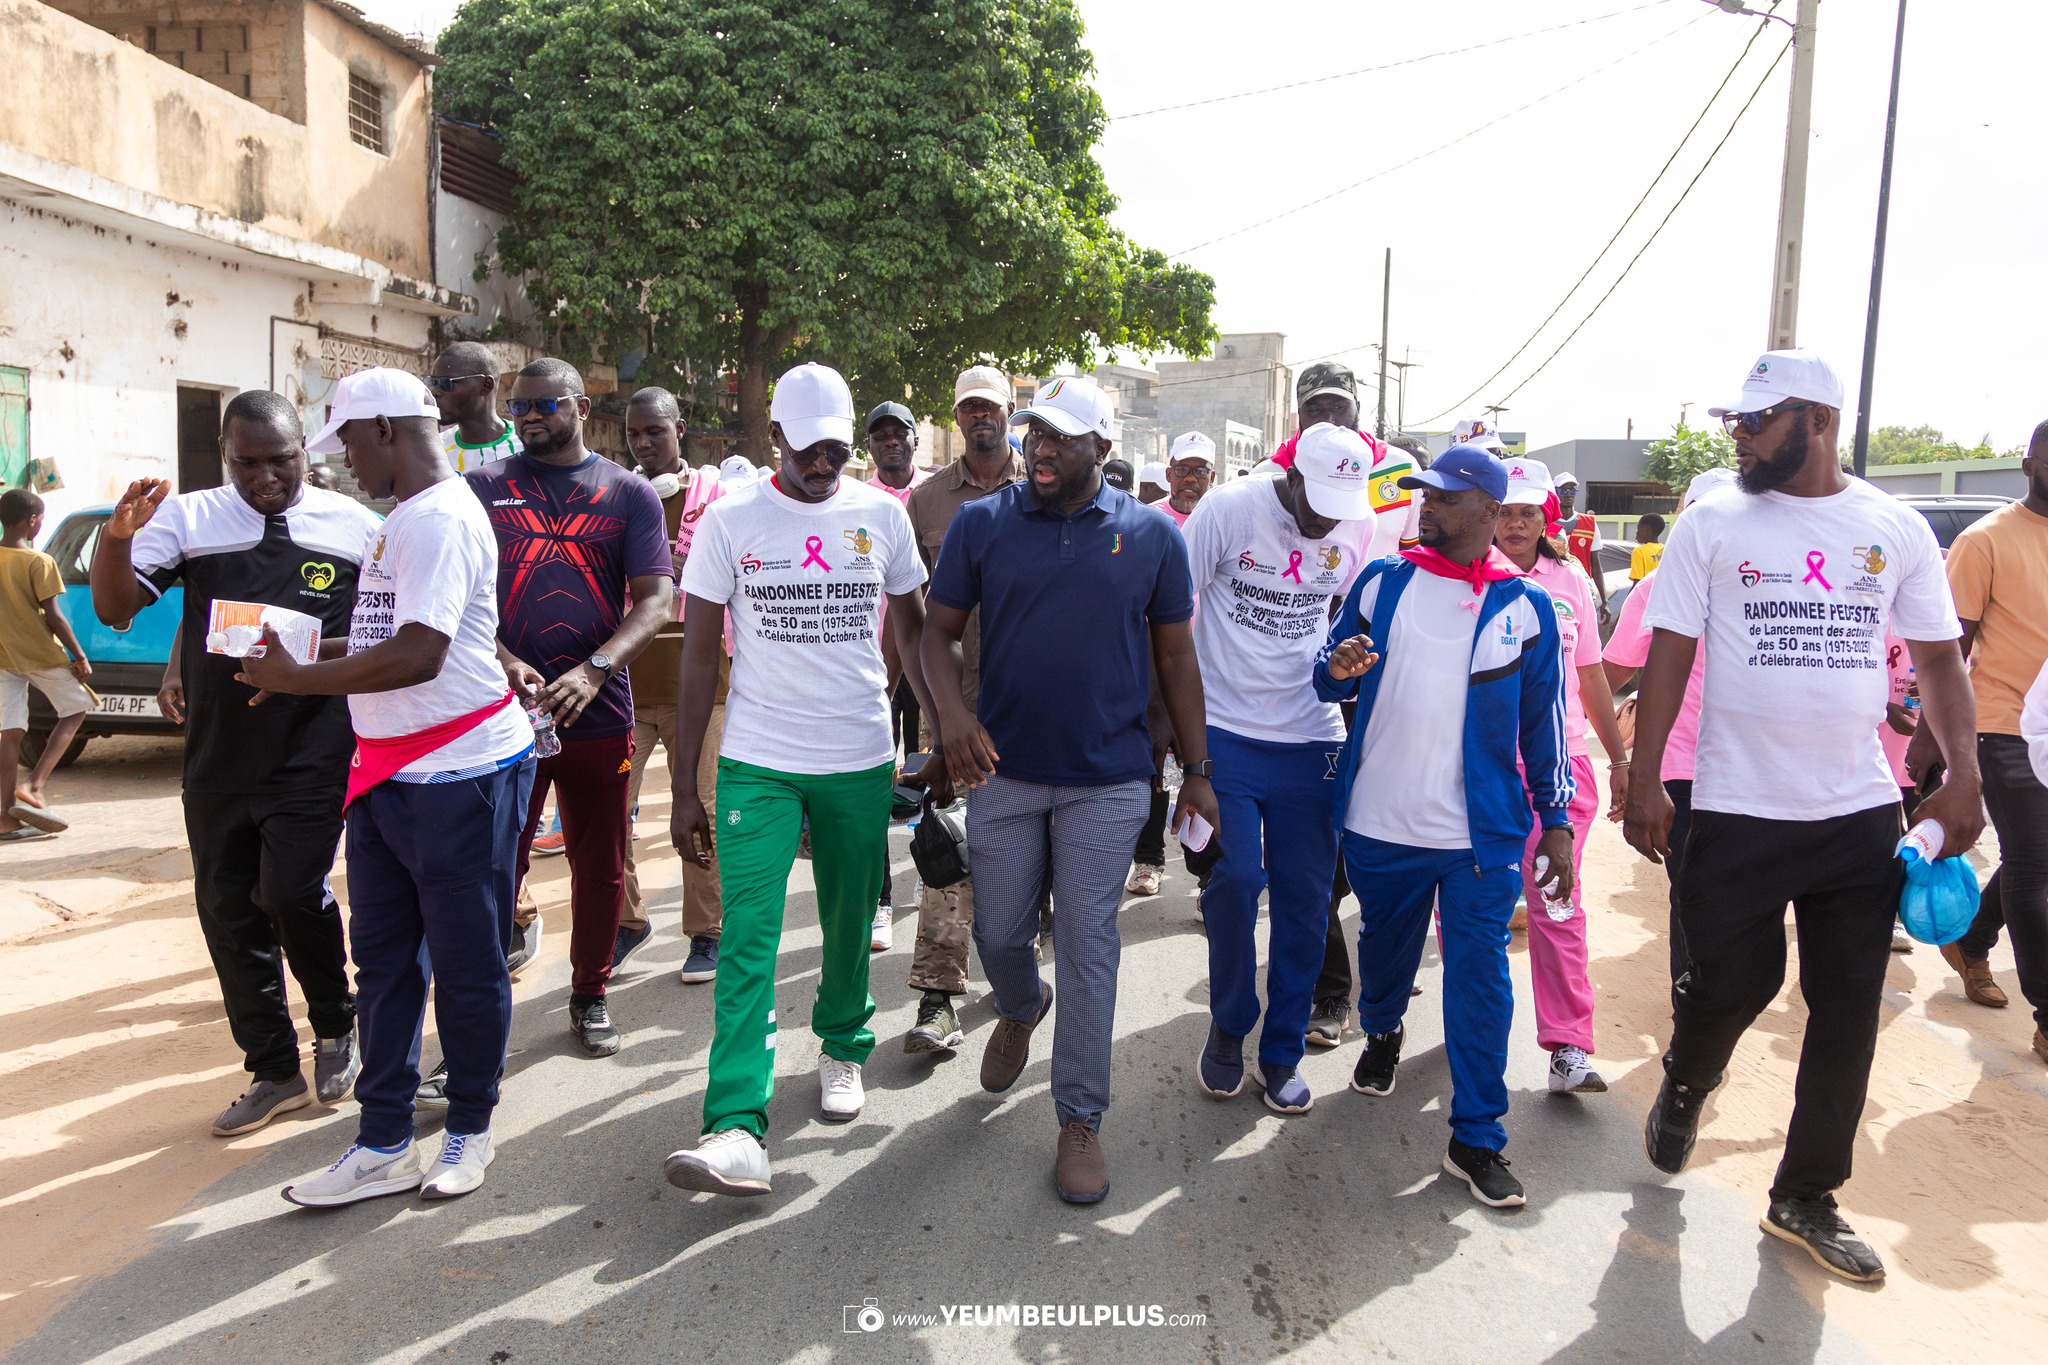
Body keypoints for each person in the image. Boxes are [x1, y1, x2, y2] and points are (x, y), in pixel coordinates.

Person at [1625, 349, 1982, 1283]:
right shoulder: (1713, 524)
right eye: (1736, 422)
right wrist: (1645, 773)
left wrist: (1963, 773)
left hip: (1856, 814)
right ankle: (1689, 1079)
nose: (1738, 436)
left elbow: (1940, 662)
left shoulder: (1893, 526)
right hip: (1736, 810)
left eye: (1755, 420)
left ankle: (1807, 1192)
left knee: (1846, 1011)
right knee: (1731, 987)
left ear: (1816, 420)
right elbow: (1667, 651)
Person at [925, 374, 1217, 1204]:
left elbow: (1176, 659)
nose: (1039, 448)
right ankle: (1021, 1005)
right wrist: (950, 717)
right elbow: (935, 636)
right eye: (1033, 434)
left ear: (1103, 448)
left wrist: (1196, 773)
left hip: (1108, 780)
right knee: (1003, 932)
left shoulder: (1154, 537)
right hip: (1003, 772)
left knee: (1091, 942)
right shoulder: (983, 524)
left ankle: (1080, 1114)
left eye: (1059, 437)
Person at [256, 367, 536, 1205]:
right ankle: (381, 1143)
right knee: (380, 964)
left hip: (462, 775)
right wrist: (299, 660)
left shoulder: (442, 519)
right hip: (386, 775)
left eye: (344, 441)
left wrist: (302, 680)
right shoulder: (403, 519)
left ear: (382, 429)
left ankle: (469, 1129)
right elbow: (380, 635)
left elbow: (421, 653)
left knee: (467, 962)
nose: (340, 461)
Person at [661, 362, 937, 1198]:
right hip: (757, 759)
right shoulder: (729, 522)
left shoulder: (882, 515)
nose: (824, 466)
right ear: (774, 438)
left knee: (852, 919)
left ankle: (844, 1044)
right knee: (749, 934)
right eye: (809, 449)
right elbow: (699, 655)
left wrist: (945, 732)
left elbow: (919, 638)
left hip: (855, 756)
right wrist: (682, 786)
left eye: (838, 451)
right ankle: (736, 1123)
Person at [89, 390, 380, 1135]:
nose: (264, 477)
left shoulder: (355, 528)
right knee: (225, 908)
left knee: (289, 890)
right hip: (219, 755)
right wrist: (117, 539)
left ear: (305, 452)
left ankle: (337, 1023)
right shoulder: (190, 518)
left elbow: (393, 634)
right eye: (245, 463)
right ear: (226, 456)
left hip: (315, 748)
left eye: (280, 460)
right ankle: (273, 1067)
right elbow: (115, 607)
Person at [1316, 443, 1573, 1210]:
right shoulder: (1382, 582)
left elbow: (1546, 723)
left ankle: (1478, 1136)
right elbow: (1322, 671)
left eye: (1447, 497)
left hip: (1480, 836)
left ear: (1491, 513)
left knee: (1480, 977)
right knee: (1385, 952)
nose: (1427, 506)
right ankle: (1385, 1025)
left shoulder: (1525, 607)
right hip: (1379, 822)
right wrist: (1339, 667)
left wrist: (1555, 820)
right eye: (1425, 494)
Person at [466, 359, 675, 1057]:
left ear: (582, 406)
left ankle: (590, 994)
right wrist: (503, 660)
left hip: (598, 709)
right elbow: (457, 598)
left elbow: (655, 600)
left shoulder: (626, 494)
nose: (527, 415)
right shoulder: (480, 489)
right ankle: (481, 1010)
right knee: (496, 863)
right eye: (518, 405)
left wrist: (595, 668)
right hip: (500, 715)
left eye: (544, 404)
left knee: (601, 863)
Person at [1185, 424, 1374, 1114]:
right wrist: (1183, 746)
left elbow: (1343, 630)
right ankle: (1230, 1023)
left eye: (1340, 505)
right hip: (1227, 731)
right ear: (1290, 474)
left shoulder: (1357, 527)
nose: (1326, 519)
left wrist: (1343, 667)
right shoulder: (1229, 509)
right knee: (1234, 879)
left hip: (1310, 737)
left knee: (1306, 901)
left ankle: (1282, 1050)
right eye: (1316, 499)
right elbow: (1168, 613)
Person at [1261, 361, 1424, 1048]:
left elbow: (1427, 560)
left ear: (1363, 410)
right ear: (1297, 420)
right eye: (1314, 410)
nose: (1328, 420)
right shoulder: (1276, 475)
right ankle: (1331, 991)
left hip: (1391, 679)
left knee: (1388, 834)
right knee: (1315, 846)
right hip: (1310, 678)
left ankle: (1384, 966)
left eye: (1340, 407)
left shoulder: (1403, 474)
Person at [896, 366, 1024, 1057]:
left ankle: (1012, 971)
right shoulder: (925, 503)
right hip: (949, 705)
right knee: (945, 847)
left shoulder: (1042, 489)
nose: (980, 417)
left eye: (991, 407)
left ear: (1010, 412)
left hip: (1026, 706)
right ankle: (939, 997)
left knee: (1017, 846)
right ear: (956, 416)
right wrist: (932, 711)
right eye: (968, 408)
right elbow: (911, 621)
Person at [1492, 457, 1631, 1095]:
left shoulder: (1569, 577)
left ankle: (1569, 1047)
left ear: (1547, 515)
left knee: (1558, 904)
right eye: (1505, 511)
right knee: (1474, 906)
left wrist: (1619, 757)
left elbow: (1593, 673)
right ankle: (1467, 1019)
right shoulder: (1458, 576)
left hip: (1562, 768)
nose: (1516, 524)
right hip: (1482, 767)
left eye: (1529, 512)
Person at [1910, 421, 2048, 1055]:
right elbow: (1950, 646)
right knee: (2033, 864)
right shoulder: (1985, 540)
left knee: (2039, 858)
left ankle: (1972, 938)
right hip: (2003, 722)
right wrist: (1936, 740)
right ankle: (2046, 1017)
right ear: (2028, 463)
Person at [1602, 467, 1735, 989]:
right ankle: (1694, 1010)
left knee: (1721, 897)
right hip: (1681, 768)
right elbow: (1610, 671)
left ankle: (1708, 1003)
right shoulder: (1658, 585)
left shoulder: (1759, 584)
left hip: (1748, 771)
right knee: (1697, 894)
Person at [615, 387, 726, 976]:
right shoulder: (616, 497)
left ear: (679, 430)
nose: (643, 443)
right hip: (626, 686)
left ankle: (706, 932)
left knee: (700, 807)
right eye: (634, 434)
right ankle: (627, 921)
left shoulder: (716, 500)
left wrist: (688, 570)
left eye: (654, 431)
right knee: (612, 811)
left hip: (699, 683)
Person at [1126, 430, 1217, 897]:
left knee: (1201, 769)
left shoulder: (1224, 519)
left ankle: (1205, 877)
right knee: (1150, 772)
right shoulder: (1145, 522)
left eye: (1200, 471)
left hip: (1206, 665)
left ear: (1212, 477)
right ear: (1168, 474)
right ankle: (1148, 859)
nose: (1190, 480)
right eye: (1182, 469)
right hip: (1151, 662)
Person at [0, 488, 91, 840]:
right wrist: (79, 656)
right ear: (33, 521)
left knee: (9, 732)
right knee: (76, 708)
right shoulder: (39, 562)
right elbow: (54, 617)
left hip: (2, 657)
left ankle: (6, 818)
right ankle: (35, 785)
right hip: (37, 653)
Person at [429, 341, 520, 473]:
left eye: (446, 383)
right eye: (433, 383)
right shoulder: (435, 452)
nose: (434, 392)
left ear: (486, 386)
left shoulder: (527, 446)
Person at [1554, 471, 1610, 619]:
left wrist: (1604, 600)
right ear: (1555, 492)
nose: (1568, 493)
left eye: (1572, 489)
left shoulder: (1590, 523)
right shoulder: (1545, 523)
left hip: (1582, 591)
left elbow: (1596, 565)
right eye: (1563, 490)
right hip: (1554, 590)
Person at [1630, 514, 1666, 581]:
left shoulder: (1639, 552)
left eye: (1638, 528)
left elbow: (1638, 583)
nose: (1636, 532)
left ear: (1645, 530)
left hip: (1647, 591)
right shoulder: (1666, 549)